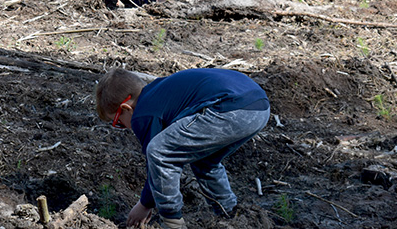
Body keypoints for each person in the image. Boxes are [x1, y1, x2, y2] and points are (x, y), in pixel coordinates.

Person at [95, 68, 270, 229]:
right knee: (205, 162)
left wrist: (145, 204)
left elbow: (157, 160)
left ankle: (172, 222)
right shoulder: (159, 91)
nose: (124, 128)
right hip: (258, 105)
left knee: (159, 151)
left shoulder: (142, 113)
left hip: (230, 108)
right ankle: (230, 214)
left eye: (118, 122)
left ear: (126, 108)